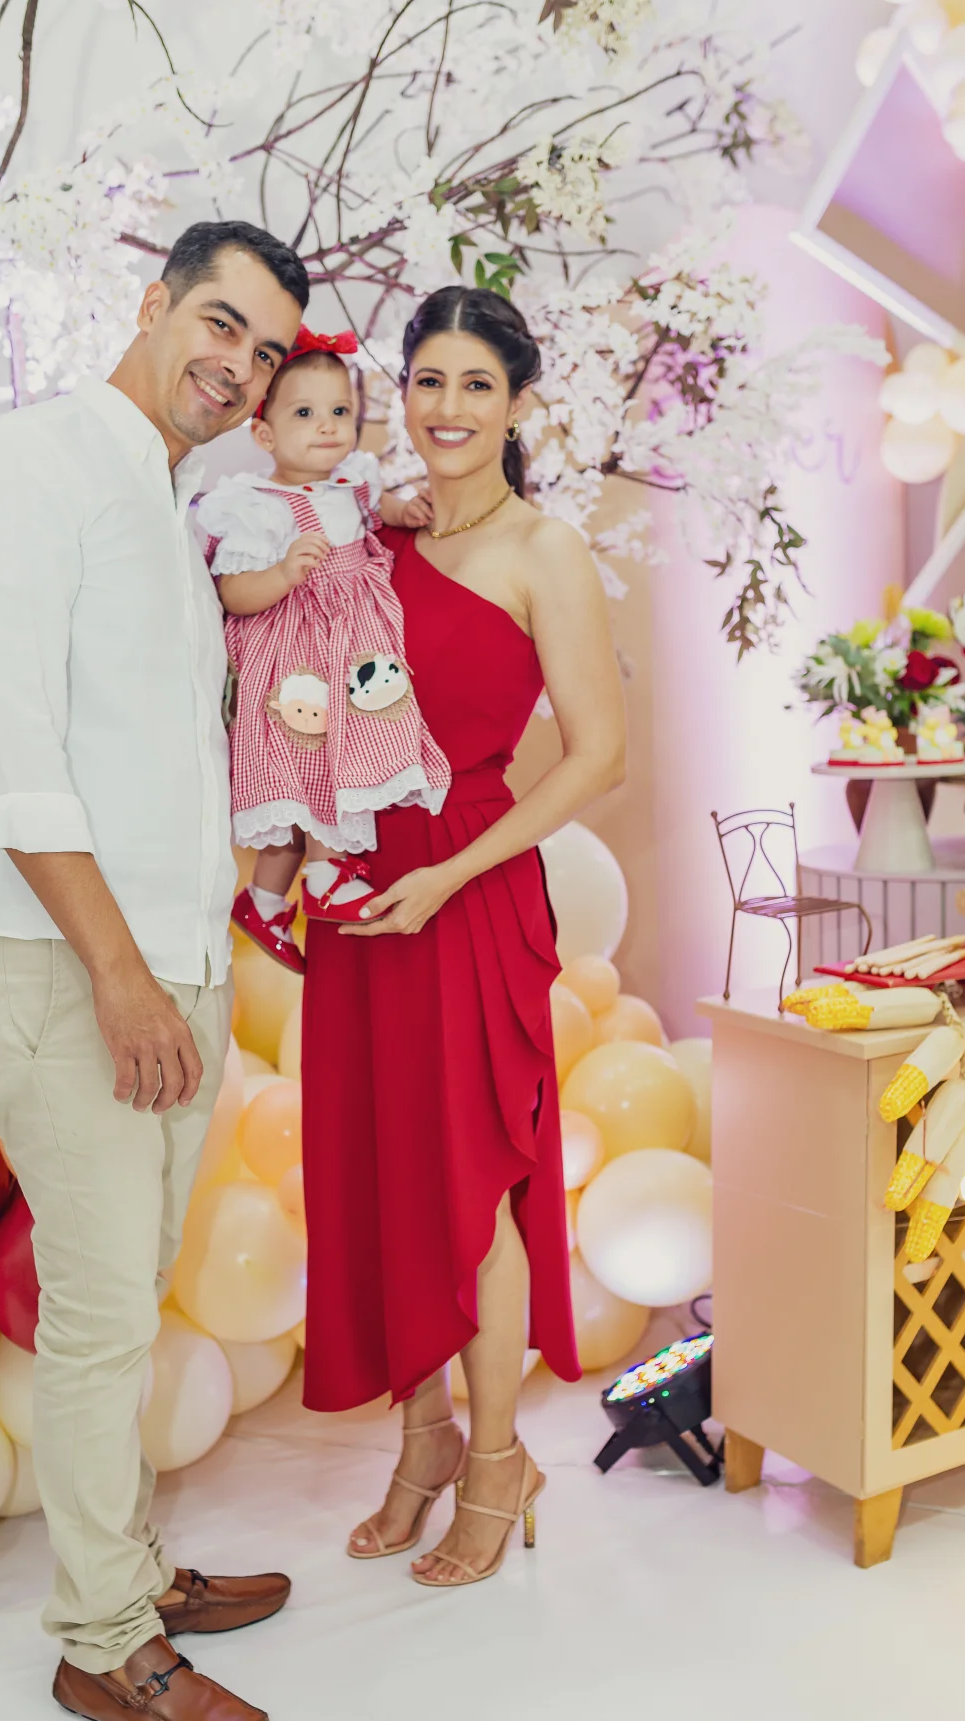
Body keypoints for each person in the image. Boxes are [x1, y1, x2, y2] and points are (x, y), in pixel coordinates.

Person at [0, 222, 307, 1721]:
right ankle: (102, 1641)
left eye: (266, 351)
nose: (238, 365)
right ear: (152, 306)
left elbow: (158, 761)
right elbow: (14, 757)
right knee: (95, 1314)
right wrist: (125, 975)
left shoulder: (167, 503)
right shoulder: (30, 467)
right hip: (76, 968)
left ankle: (130, 1569)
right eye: (219, 323)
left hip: (172, 968)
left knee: (128, 1299)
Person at [300, 285, 627, 1587]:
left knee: (470, 1186)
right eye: (426, 381)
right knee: (383, 1174)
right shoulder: (373, 534)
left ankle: (499, 1459)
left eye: (475, 384)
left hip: (468, 885)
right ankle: (424, 1438)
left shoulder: (544, 551)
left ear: (519, 401)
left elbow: (597, 754)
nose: (446, 408)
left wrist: (449, 877)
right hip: (365, 885)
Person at [195, 325, 449, 971]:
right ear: (265, 434)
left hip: (354, 655)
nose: (328, 426)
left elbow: (378, 511)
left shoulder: (354, 483)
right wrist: (282, 573)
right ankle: (319, 877)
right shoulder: (256, 506)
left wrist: (406, 511)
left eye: (340, 410)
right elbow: (232, 594)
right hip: (297, 663)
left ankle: (266, 901)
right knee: (309, 771)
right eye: (305, 414)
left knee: (344, 763)